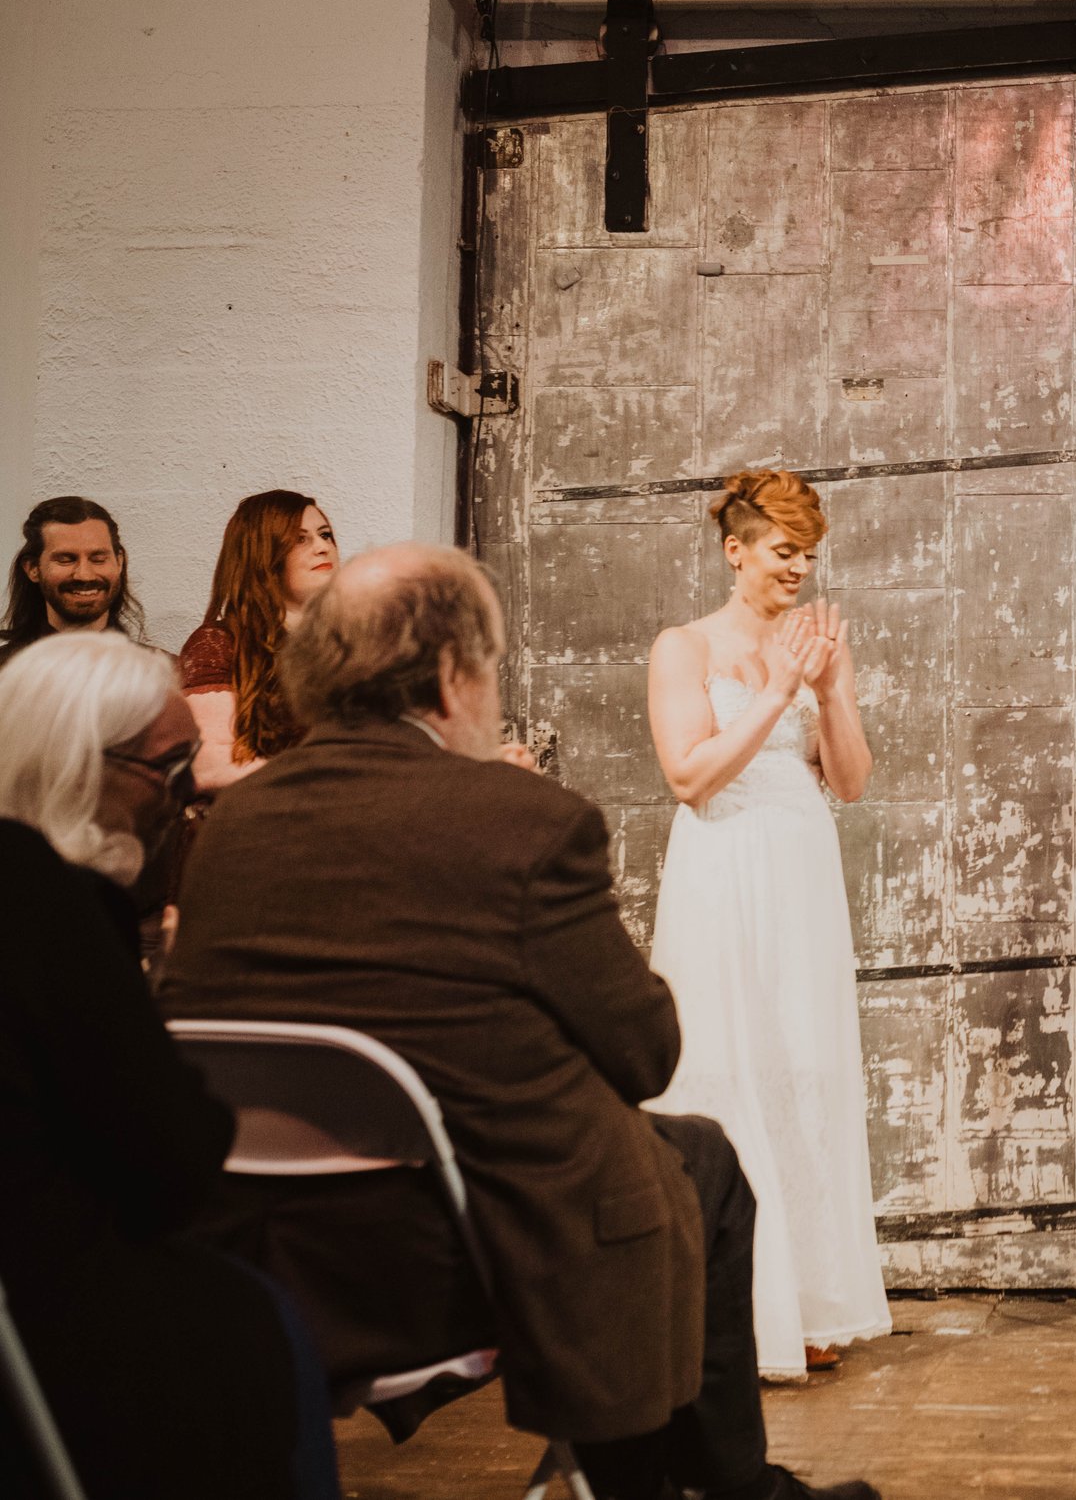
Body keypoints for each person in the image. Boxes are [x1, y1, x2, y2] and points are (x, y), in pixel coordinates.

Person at [157, 543, 875, 1500]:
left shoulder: (232, 828)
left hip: (264, 1251)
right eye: (489, 667)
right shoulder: (519, 818)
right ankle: (711, 1485)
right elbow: (645, 1052)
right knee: (698, 1160)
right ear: (454, 676)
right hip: (454, 1252)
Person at [0, 632, 338, 1500]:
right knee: (266, 1317)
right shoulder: (50, 901)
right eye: (170, 768)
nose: (185, 799)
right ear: (80, 764)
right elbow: (172, 1157)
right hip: (45, 1312)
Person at [644, 469, 888, 1379]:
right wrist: (779, 690)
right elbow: (689, 778)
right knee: (727, 1066)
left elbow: (850, 782)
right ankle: (728, 1313)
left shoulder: (811, 649)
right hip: (723, 875)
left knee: (804, 1068)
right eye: (784, 551)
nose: (799, 568)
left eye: (808, 554)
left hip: (802, 880)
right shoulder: (684, 647)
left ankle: (807, 1303)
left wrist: (830, 689)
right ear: (734, 550)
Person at [180, 489, 338, 792]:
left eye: (325, 535)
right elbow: (209, 764)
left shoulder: (352, 641)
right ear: (263, 554)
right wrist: (320, 783)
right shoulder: (219, 643)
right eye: (300, 539)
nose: (322, 547)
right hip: (268, 809)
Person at [0, 495, 149, 672]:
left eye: (98, 559)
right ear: (33, 568)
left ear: (119, 562)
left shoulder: (164, 674)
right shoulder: (5, 672)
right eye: (65, 560)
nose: (84, 575)